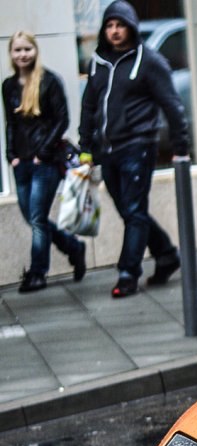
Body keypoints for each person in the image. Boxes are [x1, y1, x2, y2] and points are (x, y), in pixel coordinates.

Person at [78, 0, 189, 298]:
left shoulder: (149, 62)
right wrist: (85, 149)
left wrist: (181, 147)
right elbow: (88, 108)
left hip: (139, 145)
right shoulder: (98, 62)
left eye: (120, 25)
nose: (115, 31)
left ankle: (128, 273)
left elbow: (172, 105)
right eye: (110, 26)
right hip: (107, 150)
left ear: (131, 27)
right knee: (129, 211)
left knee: (134, 211)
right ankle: (166, 254)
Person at [4, 31, 87, 293]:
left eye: (27, 49)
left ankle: (38, 273)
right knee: (32, 218)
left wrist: (42, 152)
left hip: (46, 162)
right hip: (21, 163)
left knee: (38, 218)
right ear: (11, 54)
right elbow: (11, 124)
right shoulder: (8, 85)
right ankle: (74, 247)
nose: (22, 54)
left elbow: (62, 120)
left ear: (35, 50)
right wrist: (11, 156)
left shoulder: (50, 81)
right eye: (17, 50)